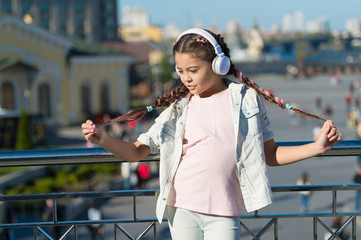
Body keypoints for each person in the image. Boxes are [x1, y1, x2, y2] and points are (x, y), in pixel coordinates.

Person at [81, 28, 341, 240]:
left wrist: (315, 147)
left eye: (193, 70)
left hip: (224, 211)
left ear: (219, 65)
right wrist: (102, 139)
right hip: (181, 208)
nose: (186, 79)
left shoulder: (246, 100)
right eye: (180, 71)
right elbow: (136, 152)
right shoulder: (178, 109)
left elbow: (269, 154)